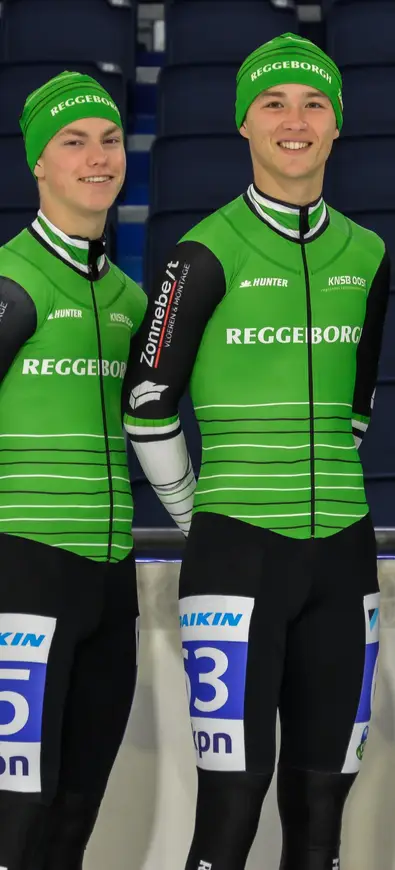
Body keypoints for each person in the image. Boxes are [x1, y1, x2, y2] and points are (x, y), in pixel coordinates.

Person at [121, 34, 388, 870]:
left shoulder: (368, 255)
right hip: (235, 554)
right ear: (244, 123)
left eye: (313, 104)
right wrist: (205, 517)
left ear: (337, 125)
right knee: (231, 808)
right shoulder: (201, 252)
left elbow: (358, 409)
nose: (294, 120)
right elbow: (147, 407)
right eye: (273, 103)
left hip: (344, 559)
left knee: (323, 812)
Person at [0, 72, 144, 868]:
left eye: (111, 140)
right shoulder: (12, 281)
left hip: (108, 586)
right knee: (15, 818)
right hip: (24, 574)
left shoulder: (128, 298)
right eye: (74, 141)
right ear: (39, 163)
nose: (98, 157)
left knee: (73, 820)